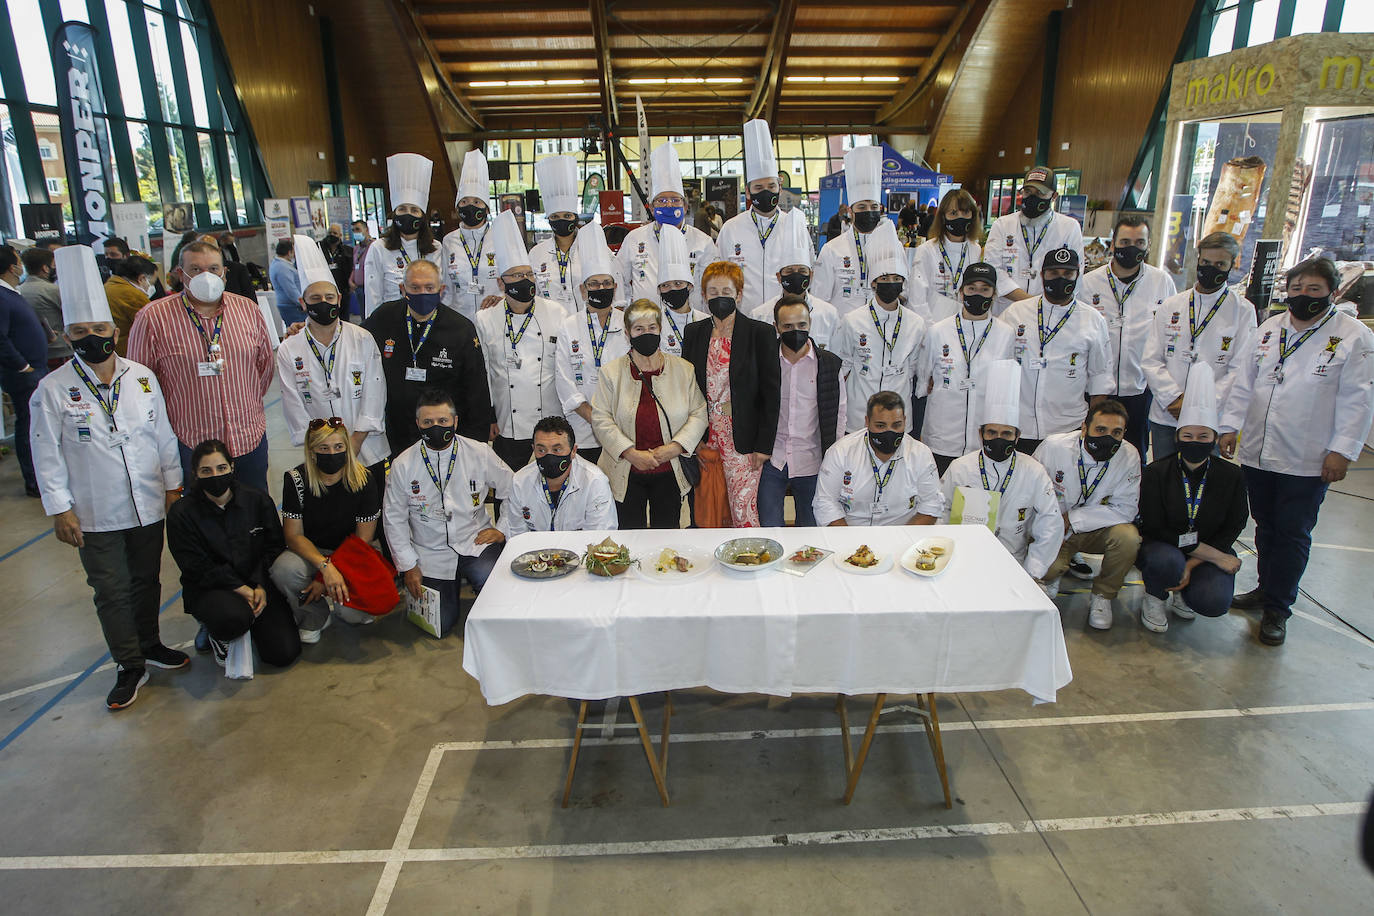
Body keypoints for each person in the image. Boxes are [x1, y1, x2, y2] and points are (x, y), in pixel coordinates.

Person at [29, 245, 187, 708]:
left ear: (113, 332)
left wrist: (173, 484)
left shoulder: (141, 377)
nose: (92, 337)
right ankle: (129, 663)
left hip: (146, 500)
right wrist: (59, 508)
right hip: (94, 509)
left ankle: (151, 643)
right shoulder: (53, 390)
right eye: (81, 331)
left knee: (147, 580)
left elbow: (162, 434)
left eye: (99, 329)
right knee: (111, 589)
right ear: (67, 334)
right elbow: (46, 453)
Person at [1220, 257, 1374, 646]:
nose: (1303, 296)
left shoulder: (1352, 336)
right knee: (1266, 528)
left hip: (1308, 457)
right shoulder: (1270, 329)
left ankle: (1278, 608)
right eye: (1297, 288)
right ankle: (1265, 588)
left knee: (1292, 533)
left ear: (1332, 292)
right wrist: (1230, 427)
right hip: (1259, 449)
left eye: (1314, 289)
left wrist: (1342, 450)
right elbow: (1244, 384)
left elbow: (1358, 400)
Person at [127, 240, 275, 493]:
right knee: (201, 522)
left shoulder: (248, 310)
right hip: (190, 442)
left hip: (248, 437)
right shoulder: (153, 318)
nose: (207, 276)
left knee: (254, 515)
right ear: (179, 274)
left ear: (224, 273)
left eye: (214, 269)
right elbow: (140, 384)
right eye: (196, 270)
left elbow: (264, 367)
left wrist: (245, 400)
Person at [382, 388, 513, 636]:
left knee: (495, 591)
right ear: (418, 424)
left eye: (443, 421)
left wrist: (501, 529)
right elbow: (393, 518)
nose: (436, 427)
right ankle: (448, 588)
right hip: (430, 551)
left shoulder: (479, 452)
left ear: (455, 421)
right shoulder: (403, 464)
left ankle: (479, 589)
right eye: (428, 422)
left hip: (475, 541)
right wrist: (408, 566)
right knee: (440, 625)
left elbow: (513, 490)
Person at [167, 439, 301, 670]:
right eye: (206, 471)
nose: (215, 476)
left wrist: (259, 585)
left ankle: (253, 623)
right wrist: (240, 589)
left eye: (221, 468)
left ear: (232, 467)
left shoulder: (256, 500)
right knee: (232, 619)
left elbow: (273, 546)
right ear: (195, 475)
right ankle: (219, 632)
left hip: (257, 583)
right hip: (212, 588)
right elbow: (194, 565)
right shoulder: (182, 513)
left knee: (283, 653)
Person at [1137, 363, 1248, 633]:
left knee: (1213, 601)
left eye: (1203, 436)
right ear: (1177, 437)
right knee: (1166, 562)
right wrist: (1211, 556)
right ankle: (1155, 596)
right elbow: (1154, 527)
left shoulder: (1231, 476)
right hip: (1164, 547)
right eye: (1187, 435)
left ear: (1213, 439)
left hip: (1210, 548)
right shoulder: (1156, 472)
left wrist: (1197, 560)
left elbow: (1235, 524)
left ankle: (1184, 591)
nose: (1194, 441)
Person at [276, 234, 389, 472]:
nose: (323, 303)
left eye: (329, 297)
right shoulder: (290, 348)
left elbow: (375, 392)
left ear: (338, 299)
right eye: (315, 298)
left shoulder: (361, 338)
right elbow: (292, 403)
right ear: (303, 303)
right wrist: (325, 448)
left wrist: (354, 443)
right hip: (320, 452)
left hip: (367, 448)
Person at [942, 360, 1063, 580]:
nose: (999, 439)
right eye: (992, 433)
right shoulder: (960, 468)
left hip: (1014, 562)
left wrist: (1032, 572)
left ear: (1017, 436)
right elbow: (941, 511)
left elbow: (1050, 522)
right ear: (981, 435)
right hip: (962, 558)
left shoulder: (1034, 472)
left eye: (1006, 434)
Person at [591, 299, 707, 528]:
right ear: (628, 333)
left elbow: (699, 413)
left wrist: (675, 448)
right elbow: (601, 419)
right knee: (629, 536)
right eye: (639, 329)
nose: (646, 334)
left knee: (666, 536)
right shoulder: (610, 373)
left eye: (652, 328)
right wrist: (631, 453)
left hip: (669, 469)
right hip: (625, 471)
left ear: (660, 329)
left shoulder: (684, 369)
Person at [682, 260, 781, 527]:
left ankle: (748, 562)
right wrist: (693, 440)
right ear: (703, 296)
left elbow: (771, 394)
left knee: (743, 510)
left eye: (726, 292)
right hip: (705, 434)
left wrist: (763, 446)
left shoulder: (759, 333)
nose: (719, 297)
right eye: (712, 292)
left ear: (738, 294)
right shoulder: (694, 333)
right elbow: (688, 391)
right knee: (709, 511)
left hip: (743, 438)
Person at [1142, 231, 1256, 461]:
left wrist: (1199, 405)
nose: (1211, 269)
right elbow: (1151, 359)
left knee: (1203, 486)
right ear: (1198, 260)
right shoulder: (1173, 305)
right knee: (1164, 477)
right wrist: (1174, 399)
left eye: (1219, 264)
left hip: (1209, 420)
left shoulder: (1243, 311)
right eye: (1205, 262)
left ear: (1231, 266)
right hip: (1168, 413)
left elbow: (1240, 369)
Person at [270, 417, 385, 643]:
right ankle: (314, 617)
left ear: (347, 448)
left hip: (354, 550)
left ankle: (344, 603)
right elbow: (293, 536)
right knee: (284, 569)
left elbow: (363, 540)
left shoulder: (364, 479)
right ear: (312, 451)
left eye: (338, 447)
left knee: (353, 616)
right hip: (314, 551)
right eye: (324, 448)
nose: (332, 453)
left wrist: (325, 578)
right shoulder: (296, 480)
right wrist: (324, 566)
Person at [1034, 399, 1142, 630]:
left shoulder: (1129, 456)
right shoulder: (1054, 447)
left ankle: (1103, 596)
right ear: (1084, 428)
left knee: (1128, 537)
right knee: (1044, 569)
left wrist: (1073, 519)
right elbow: (1031, 488)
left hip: (1096, 531)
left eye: (1116, 432)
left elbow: (1126, 509)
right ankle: (1052, 576)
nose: (1107, 438)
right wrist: (1054, 521)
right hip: (1054, 529)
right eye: (1100, 430)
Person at [365, 259, 491, 457]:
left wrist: (476, 442)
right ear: (402, 288)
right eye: (414, 287)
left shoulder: (461, 328)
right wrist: (309, 328)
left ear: (441, 290)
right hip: (397, 431)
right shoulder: (383, 317)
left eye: (429, 287)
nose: (422, 293)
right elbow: (351, 338)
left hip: (444, 433)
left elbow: (476, 390)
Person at [474, 210, 569, 470]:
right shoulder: (485, 319)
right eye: (516, 276)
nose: (525, 281)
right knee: (510, 487)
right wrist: (490, 415)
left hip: (550, 419)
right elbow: (483, 373)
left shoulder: (556, 313)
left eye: (528, 274)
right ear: (501, 283)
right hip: (508, 421)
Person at [1076, 215, 1175, 461]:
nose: (1132, 248)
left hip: (1139, 389)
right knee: (1092, 450)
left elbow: (1171, 333)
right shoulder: (1089, 283)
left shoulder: (1161, 282)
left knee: (1135, 454)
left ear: (1148, 245)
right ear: (1112, 245)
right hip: (1097, 388)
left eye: (1139, 242)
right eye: (1125, 241)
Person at [1002, 247, 1111, 453]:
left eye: (1067, 274)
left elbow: (1100, 378)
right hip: (1018, 425)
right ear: (1042, 275)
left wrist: (1092, 425)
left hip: (1068, 427)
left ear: (1077, 275)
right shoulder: (1016, 313)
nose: (1061, 279)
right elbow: (996, 362)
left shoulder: (1092, 319)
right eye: (1054, 273)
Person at [829, 220, 927, 435]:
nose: (890, 283)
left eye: (895, 278)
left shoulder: (916, 323)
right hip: (859, 415)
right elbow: (842, 368)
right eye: (884, 278)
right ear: (873, 283)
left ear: (903, 282)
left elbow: (914, 368)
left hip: (899, 416)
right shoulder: (853, 320)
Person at [919, 262, 1016, 473]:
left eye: (985, 289)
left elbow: (1006, 387)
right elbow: (923, 382)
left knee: (973, 503)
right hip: (942, 435)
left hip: (983, 439)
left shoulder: (1006, 334)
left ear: (994, 294)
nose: (977, 294)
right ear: (961, 292)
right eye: (972, 289)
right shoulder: (938, 332)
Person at [758, 293, 846, 527]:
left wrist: (833, 458)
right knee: (769, 528)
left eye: (801, 325)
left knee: (810, 531)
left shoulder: (829, 364)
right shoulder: (763, 361)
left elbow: (839, 414)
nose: (795, 331)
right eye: (787, 326)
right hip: (772, 459)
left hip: (813, 460)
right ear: (776, 327)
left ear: (810, 324)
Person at [555, 221, 627, 465]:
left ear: (615, 287)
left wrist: (614, 419)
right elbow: (564, 380)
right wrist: (594, 417)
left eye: (606, 284)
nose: (601, 288)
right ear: (583, 290)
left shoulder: (627, 323)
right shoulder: (568, 325)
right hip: (581, 429)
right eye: (594, 284)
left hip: (622, 427)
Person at [814, 390, 943, 527]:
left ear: (905, 421)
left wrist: (904, 540)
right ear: (867, 422)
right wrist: (850, 543)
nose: (889, 432)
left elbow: (931, 504)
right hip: (850, 533)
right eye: (880, 426)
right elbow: (825, 503)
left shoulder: (920, 454)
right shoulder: (840, 452)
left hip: (901, 535)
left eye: (896, 425)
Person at [617, 142, 719, 309]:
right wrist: (628, 310)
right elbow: (619, 276)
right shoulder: (634, 239)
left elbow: (712, 287)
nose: (669, 205)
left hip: (691, 326)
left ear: (685, 207)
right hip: (646, 326)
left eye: (675, 200)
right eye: (662, 201)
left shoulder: (704, 242)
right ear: (651, 207)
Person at [987, 166, 1085, 313]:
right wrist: (1028, 302)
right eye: (1028, 192)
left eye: (1040, 193)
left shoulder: (1069, 227)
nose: (1032, 197)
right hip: (1007, 309)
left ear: (1054, 196)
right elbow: (993, 270)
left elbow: (1075, 274)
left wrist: (1042, 305)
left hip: (1049, 311)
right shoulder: (1002, 225)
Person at [499, 415, 617, 536]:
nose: (549, 457)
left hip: (580, 551)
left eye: (557, 450)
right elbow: (517, 536)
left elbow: (600, 536)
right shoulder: (520, 481)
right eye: (541, 450)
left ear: (573, 451)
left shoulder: (595, 481)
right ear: (533, 449)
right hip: (536, 552)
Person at [716, 119, 787, 311]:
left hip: (783, 320)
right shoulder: (731, 228)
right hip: (742, 320)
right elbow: (720, 277)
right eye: (758, 187)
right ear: (748, 192)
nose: (765, 192)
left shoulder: (793, 226)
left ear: (779, 188)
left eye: (771, 186)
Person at [813, 146, 890, 319]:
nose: (868, 211)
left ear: (880, 209)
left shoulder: (891, 248)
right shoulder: (832, 249)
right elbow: (819, 299)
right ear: (851, 210)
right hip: (840, 331)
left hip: (879, 328)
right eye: (862, 207)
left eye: (874, 207)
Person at [747, 208, 839, 349]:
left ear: (811, 275)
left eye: (802, 270)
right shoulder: (759, 315)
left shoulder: (829, 314)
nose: (796, 275)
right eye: (789, 271)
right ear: (779, 277)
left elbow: (835, 358)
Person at [365, 153, 443, 317]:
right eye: (402, 209)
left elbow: (440, 290)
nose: (408, 214)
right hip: (392, 319)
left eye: (414, 210)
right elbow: (373, 296)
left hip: (429, 319)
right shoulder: (379, 248)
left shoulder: (435, 248)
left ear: (422, 216)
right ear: (394, 214)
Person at [0, 244, 48, 497]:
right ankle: (33, 481)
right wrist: (23, 365)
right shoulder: (2, 295)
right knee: (29, 426)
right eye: (18, 260)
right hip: (24, 374)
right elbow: (1, 337)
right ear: (11, 266)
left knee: (36, 424)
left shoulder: (12, 293)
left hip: (34, 368)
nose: (21, 265)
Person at [908, 188, 985, 325]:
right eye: (953, 213)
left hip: (964, 326)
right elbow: (917, 299)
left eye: (965, 212)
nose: (960, 218)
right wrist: (932, 332)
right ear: (943, 217)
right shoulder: (926, 250)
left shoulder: (975, 250)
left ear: (973, 216)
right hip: (931, 327)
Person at [442, 149, 501, 320]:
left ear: (486, 208)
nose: (470, 206)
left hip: (494, 318)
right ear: (457, 207)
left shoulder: (499, 237)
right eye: (464, 201)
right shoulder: (449, 241)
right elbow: (446, 286)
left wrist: (504, 299)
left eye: (476, 202)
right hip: (459, 319)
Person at [530, 155, 585, 311]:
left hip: (586, 325)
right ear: (549, 219)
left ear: (576, 217)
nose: (561, 221)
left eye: (567, 216)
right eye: (555, 217)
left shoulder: (592, 248)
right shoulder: (536, 254)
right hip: (549, 327)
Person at [655, 222, 706, 357]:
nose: (672, 289)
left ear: (689, 286)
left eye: (678, 284)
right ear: (659, 290)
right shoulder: (654, 323)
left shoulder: (706, 322)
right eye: (665, 285)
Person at [19, 246, 70, 368]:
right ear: (45, 268)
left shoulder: (18, 290)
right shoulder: (53, 290)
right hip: (59, 351)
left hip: (31, 352)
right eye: (54, 264)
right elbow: (71, 316)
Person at [105, 254, 158, 357]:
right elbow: (155, 328)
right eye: (152, 283)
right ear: (142, 279)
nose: (151, 287)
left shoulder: (109, 285)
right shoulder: (134, 296)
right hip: (127, 353)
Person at [201, 233, 254, 299]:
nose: (205, 255)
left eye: (210, 251)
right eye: (200, 252)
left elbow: (251, 301)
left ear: (219, 251)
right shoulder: (192, 274)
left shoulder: (238, 270)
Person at [269, 238, 304, 327]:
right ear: (289, 252)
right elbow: (291, 290)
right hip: (292, 307)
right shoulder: (282, 268)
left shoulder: (278, 264)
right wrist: (303, 304)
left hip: (290, 305)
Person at [320, 223, 353, 306]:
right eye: (329, 233)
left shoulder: (347, 251)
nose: (331, 235)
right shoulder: (319, 248)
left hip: (343, 290)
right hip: (325, 289)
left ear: (340, 235)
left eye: (334, 233)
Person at [349, 218, 372, 318]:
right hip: (358, 288)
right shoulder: (356, 249)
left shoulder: (374, 247)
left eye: (358, 229)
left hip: (370, 288)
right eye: (353, 230)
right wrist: (351, 280)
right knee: (363, 316)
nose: (355, 233)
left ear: (366, 230)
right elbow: (355, 266)